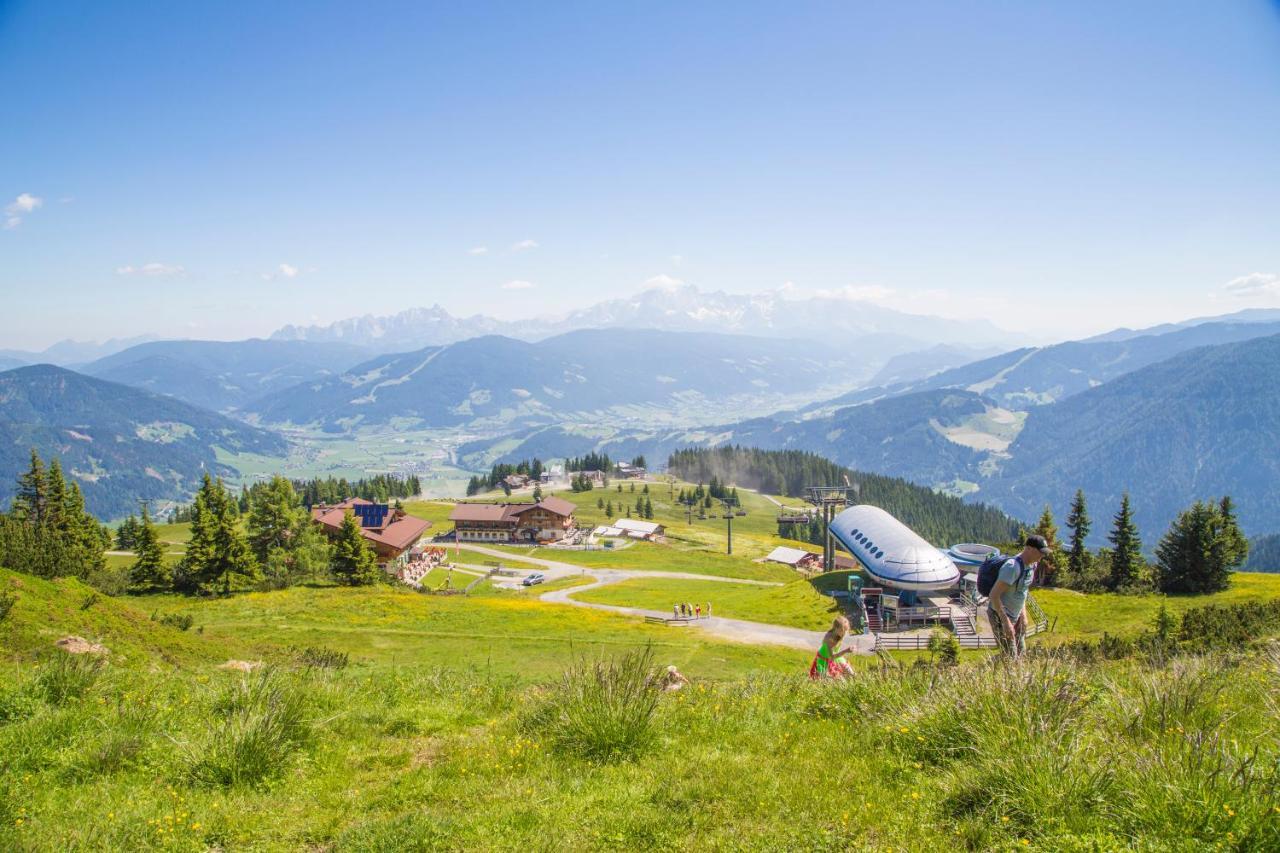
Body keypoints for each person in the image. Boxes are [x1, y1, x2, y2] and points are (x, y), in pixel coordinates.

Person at [988, 534, 1049, 659]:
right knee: (1011, 657)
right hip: (1000, 616)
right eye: (1040, 552)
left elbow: (1023, 591)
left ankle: (993, 667)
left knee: (1021, 654)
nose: (1043, 556)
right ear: (1029, 549)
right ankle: (987, 668)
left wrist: (1024, 616)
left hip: (1017, 616)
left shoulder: (1032, 566)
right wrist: (1006, 623)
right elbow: (994, 595)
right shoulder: (1012, 567)